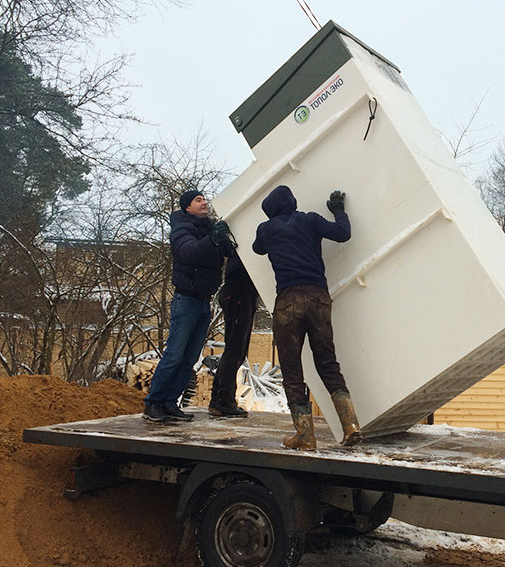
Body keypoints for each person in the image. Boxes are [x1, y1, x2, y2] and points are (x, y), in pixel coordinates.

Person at [252, 185, 362, 450]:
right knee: (328, 363)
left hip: (288, 301)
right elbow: (343, 234)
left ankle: (305, 435)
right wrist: (338, 210)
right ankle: (351, 425)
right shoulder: (310, 219)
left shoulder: (266, 230)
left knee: (292, 370)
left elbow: (257, 249)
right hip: (319, 298)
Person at [143, 190, 232, 422]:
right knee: (174, 354)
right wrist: (213, 238)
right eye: (198, 200)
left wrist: (225, 238)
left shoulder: (210, 228)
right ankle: (153, 403)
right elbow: (189, 251)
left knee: (190, 357)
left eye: (204, 199)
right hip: (186, 301)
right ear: (187, 208)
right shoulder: (181, 228)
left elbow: (226, 251)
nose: (204, 203)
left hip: (204, 302)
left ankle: (170, 403)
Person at [208, 253, 259, 417]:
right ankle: (222, 400)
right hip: (240, 292)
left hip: (241, 292)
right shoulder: (245, 245)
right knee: (235, 349)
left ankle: (220, 399)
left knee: (237, 350)